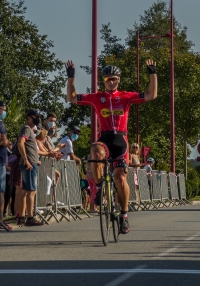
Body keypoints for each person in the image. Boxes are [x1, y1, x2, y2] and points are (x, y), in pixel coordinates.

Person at [66, 59, 157, 234]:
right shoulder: (97, 97)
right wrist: (71, 77)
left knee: (120, 178)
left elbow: (151, 95)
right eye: (108, 79)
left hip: (121, 140)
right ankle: (99, 187)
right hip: (105, 138)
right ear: (103, 81)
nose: (111, 82)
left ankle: (124, 216)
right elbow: (71, 97)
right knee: (95, 150)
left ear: (119, 80)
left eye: (114, 78)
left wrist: (153, 73)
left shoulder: (126, 96)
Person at [17, 108, 44, 226]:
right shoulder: (27, 129)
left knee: (27, 190)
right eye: (35, 116)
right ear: (29, 117)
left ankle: (22, 217)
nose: (37, 119)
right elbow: (20, 143)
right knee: (31, 191)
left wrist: (35, 160)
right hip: (29, 165)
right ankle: (30, 217)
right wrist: (27, 160)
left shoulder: (29, 130)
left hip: (31, 163)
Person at [0, 101, 14, 230]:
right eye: (3, 109)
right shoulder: (0, 124)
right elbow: (4, 141)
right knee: (1, 192)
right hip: (0, 162)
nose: (4, 111)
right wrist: (6, 141)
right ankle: (1, 221)